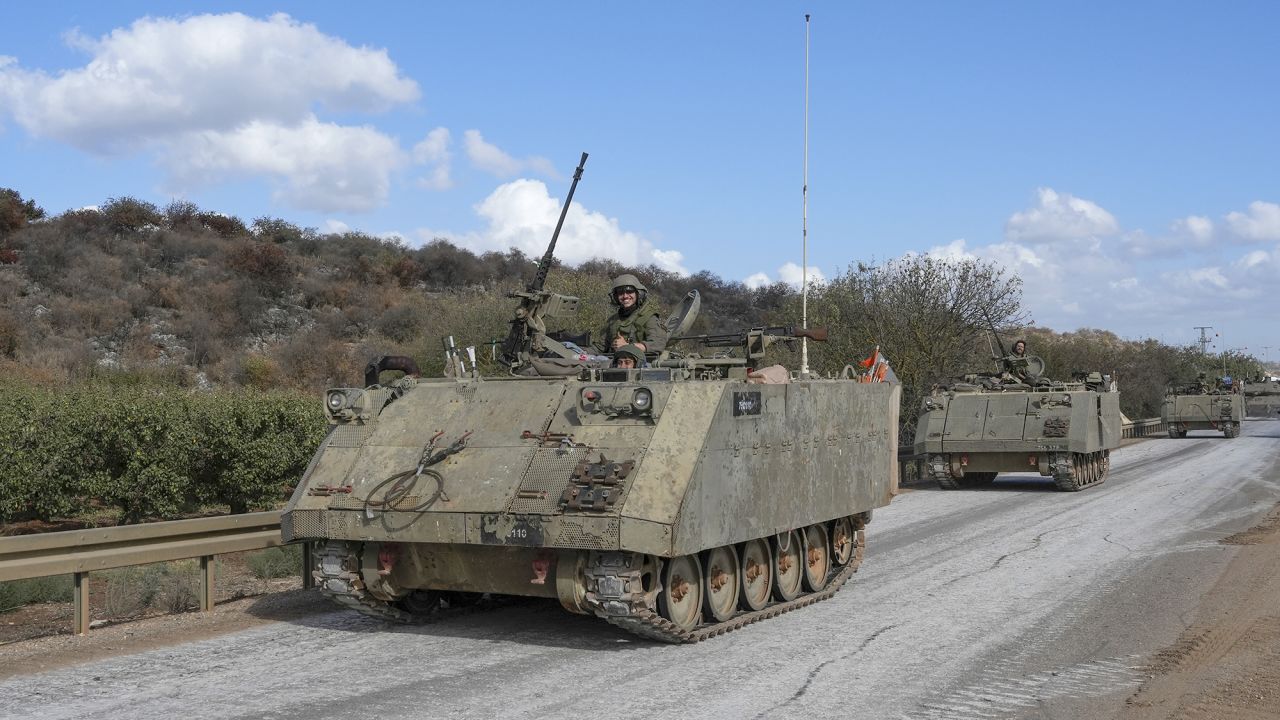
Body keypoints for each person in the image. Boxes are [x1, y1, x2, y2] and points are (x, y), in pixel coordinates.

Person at [596, 274, 667, 354]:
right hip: (613, 363)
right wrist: (582, 351)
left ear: (638, 293)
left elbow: (658, 344)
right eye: (620, 293)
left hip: (642, 364)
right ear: (616, 297)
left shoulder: (649, 317)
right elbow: (599, 347)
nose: (625, 296)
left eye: (629, 291)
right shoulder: (612, 320)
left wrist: (628, 346)